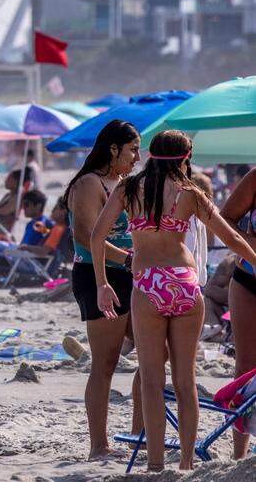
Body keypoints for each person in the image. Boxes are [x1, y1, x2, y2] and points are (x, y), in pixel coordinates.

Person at [92, 131, 256, 472]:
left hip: (148, 284)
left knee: (152, 380)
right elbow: (231, 237)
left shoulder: (128, 189)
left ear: (151, 155)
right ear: (186, 157)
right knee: (185, 381)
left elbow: (96, 235)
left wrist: (103, 284)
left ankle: (154, 465)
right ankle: (184, 464)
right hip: (183, 282)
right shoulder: (191, 193)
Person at [63, 119, 141, 461]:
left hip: (131, 274)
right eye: (133, 149)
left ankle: (141, 433)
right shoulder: (88, 184)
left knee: (155, 356)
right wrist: (127, 260)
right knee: (105, 363)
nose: (137, 157)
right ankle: (99, 445)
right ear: (113, 149)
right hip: (98, 277)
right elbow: (85, 236)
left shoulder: (126, 183)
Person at [220, 165, 256, 459]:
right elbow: (224, 218)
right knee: (245, 367)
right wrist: (248, 241)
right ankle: (239, 455)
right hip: (248, 279)